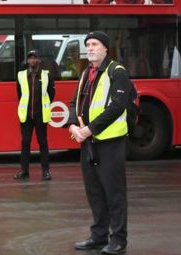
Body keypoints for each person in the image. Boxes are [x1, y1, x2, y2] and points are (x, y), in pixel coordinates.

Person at [68, 31, 130, 255]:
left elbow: (118, 106)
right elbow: (75, 101)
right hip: (88, 142)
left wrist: (89, 129)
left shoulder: (117, 72)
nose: (90, 48)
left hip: (109, 142)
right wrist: (73, 125)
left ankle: (119, 239)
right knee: (94, 192)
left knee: (114, 193)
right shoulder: (86, 73)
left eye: (95, 44)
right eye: (88, 44)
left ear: (105, 48)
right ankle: (98, 235)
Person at [14, 49, 54, 181]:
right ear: (27, 60)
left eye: (34, 58)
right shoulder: (21, 75)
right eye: (30, 58)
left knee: (43, 142)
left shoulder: (46, 75)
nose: (32, 60)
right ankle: (24, 170)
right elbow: (19, 94)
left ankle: (46, 172)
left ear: (39, 60)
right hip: (26, 115)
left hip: (40, 115)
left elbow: (51, 93)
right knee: (25, 142)